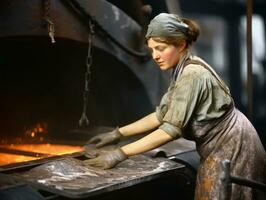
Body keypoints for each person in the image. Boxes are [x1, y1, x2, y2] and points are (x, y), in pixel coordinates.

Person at [83, 13, 266, 199]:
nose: (155, 56)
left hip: (234, 146)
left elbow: (169, 130)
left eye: (160, 48)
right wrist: (117, 134)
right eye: (152, 49)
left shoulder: (192, 74)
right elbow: (161, 116)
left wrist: (119, 154)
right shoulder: (182, 68)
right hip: (222, 145)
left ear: (181, 44)